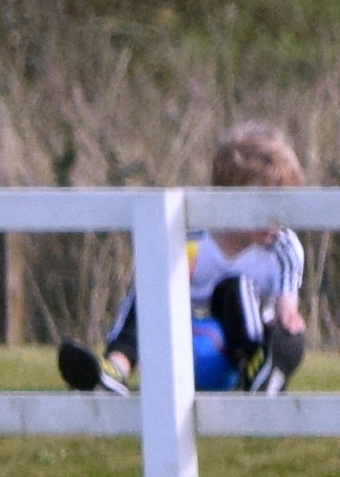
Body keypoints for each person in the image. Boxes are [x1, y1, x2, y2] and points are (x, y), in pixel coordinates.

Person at [61, 122, 311, 399]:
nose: (272, 218)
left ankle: (258, 373)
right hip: (180, 338)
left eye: (281, 205)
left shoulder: (284, 248)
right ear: (227, 197)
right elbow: (147, 291)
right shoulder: (189, 237)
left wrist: (286, 320)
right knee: (150, 288)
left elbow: (288, 307)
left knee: (241, 291)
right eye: (262, 205)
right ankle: (115, 370)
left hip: (238, 347)